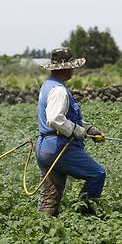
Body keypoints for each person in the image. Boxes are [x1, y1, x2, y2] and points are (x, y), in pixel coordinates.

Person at [36, 47, 106, 216]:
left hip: (45, 147)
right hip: (59, 148)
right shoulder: (59, 91)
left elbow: (64, 117)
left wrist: (89, 129)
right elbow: (54, 119)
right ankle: (85, 216)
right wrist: (76, 130)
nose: (74, 69)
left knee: (51, 196)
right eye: (72, 66)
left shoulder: (48, 86)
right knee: (97, 174)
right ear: (65, 68)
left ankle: (44, 227)